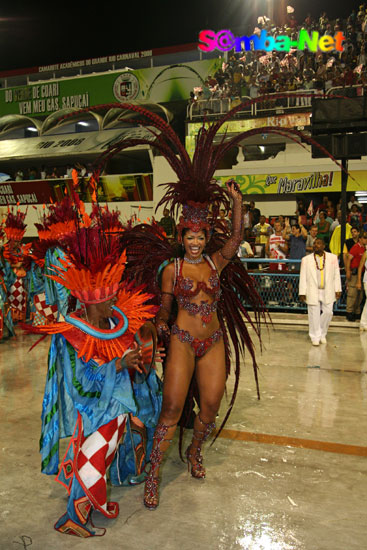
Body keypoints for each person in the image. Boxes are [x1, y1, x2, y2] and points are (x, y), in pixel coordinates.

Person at [30, 224, 161, 537]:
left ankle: (86, 506)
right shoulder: (72, 335)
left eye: (113, 295)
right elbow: (79, 384)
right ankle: (75, 516)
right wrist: (116, 366)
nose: (112, 301)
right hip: (94, 412)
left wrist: (140, 357)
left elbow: (130, 353)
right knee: (93, 458)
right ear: (89, 302)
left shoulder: (116, 322)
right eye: (106, 298)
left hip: (116, 409)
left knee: (102, 457)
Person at [143, 182, 245, 510]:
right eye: (191, 236)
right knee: (171, 408)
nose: (196, 242)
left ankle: (195, 450)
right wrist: (160, 322)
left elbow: (236, 238)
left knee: (212, 406)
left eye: (201, 236)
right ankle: (153, 475)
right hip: (183, 341)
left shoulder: (216, 262)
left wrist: (236, 203)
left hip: (213, 339)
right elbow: (165, 305)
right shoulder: (172, 269)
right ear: (182, 237)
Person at [299, 238, 342, 346]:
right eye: (314, 243)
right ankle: (315, 336)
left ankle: (322, 333)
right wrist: (302, 292)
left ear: (323, 246)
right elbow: (303, 276)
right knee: (314, 314)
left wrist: (338, 289)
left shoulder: (332, 258)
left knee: (328, 312)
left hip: (328, 289)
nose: (315, 245)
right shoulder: (306, 259)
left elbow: (337, 274)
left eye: (318, 243)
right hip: (312, 289)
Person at [345, 231, 367, 321]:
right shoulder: (356, 247)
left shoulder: (365, 249)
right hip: (354, 273)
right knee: (352, 293)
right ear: (360, 239)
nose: (366, 240)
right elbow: (348, 259)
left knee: (360, 294)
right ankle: (349, 311)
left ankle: (357, 311)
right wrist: (348, 271)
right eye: (365, 238)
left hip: (362, 273)